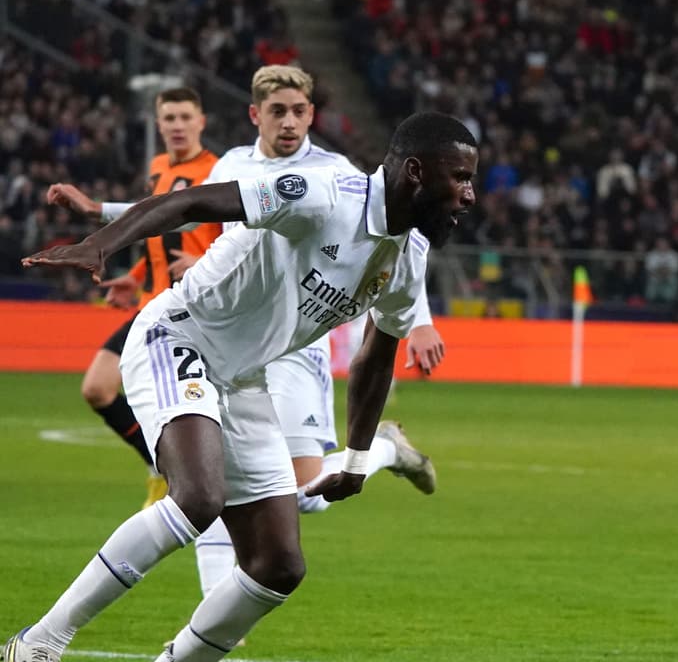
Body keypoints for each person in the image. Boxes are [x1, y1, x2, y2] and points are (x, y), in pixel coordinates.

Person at [7, 111, 478, 662]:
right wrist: (101, 242)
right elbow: (195, 202)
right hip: (180, 335)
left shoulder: (407, 254)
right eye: (461, 178)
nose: (469, 195)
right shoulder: (321, 195)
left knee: (278, 562)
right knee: (197, 497)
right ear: (416, 172)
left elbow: (375, 355)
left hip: (247, 375)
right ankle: (40, 640)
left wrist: (360, 456)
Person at [51, 66, 446, 598]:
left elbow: (394, 248)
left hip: (293, 347)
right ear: (255, 114)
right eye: (278, 111)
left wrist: (417, 322)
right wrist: (101, 218)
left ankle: (384, 450)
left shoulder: (335, 173)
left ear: (311, 113)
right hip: (226, 329)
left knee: (305, 492)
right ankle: (217, 598)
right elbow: (190, 213)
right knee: (211, 478)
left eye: (299, 111)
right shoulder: (233, 163)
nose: (289, 122)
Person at [47, 87, 220, 507]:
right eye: (170, 118)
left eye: (185, 117)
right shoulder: (159, 167)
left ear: (201, 122)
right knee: (97, 388)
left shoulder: (218, 171)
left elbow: (239, 237)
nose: (177, 125)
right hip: (151, 305)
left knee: (205, 410)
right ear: (158, 124)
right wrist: (137, 275)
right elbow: (155, 232)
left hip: (193, 311)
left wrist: (203, 260)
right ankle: (161, 467)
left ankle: (190, 483)